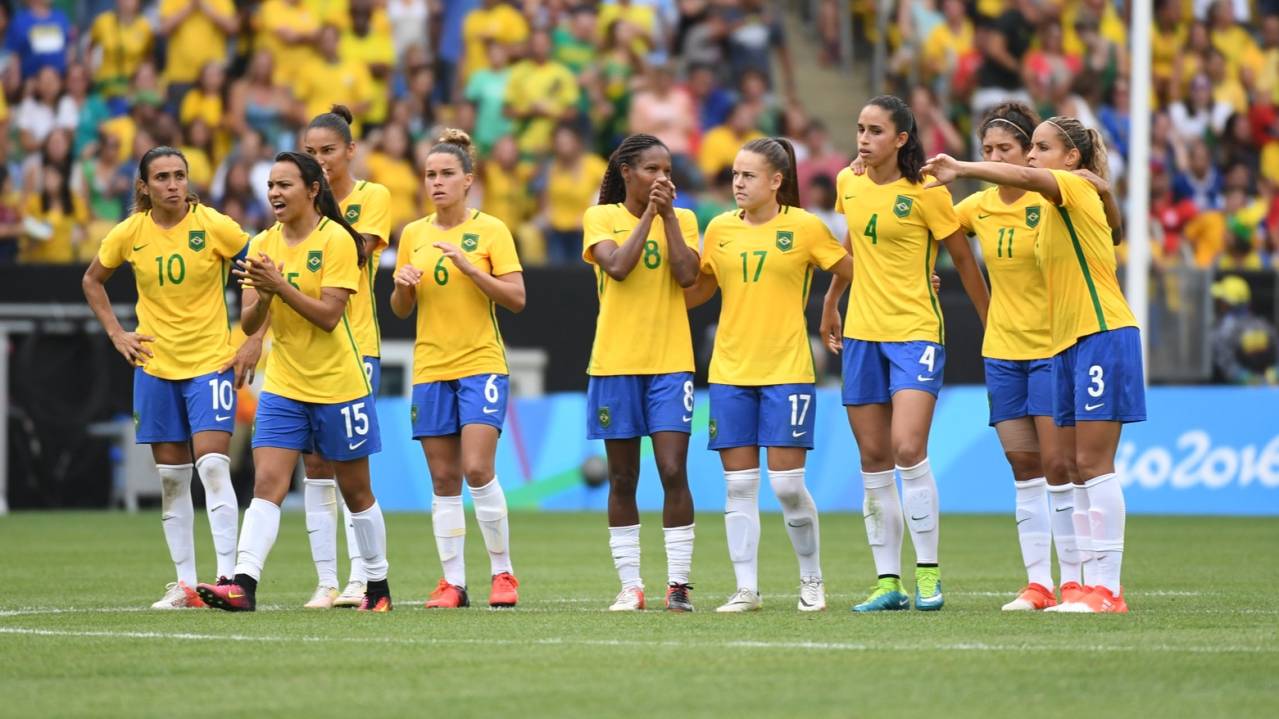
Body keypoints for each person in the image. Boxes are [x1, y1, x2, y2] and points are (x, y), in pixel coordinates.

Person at [924, 113, 1144, 614]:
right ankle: (1081, 587)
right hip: (1065, 342)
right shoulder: (1052, 209)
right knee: (1066, 466)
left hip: (1100, 332)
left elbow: (1027, 180)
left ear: (1070, 157)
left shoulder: (1066, 186)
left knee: (1088, 465)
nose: (1028, 157)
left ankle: (1104, 588)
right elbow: (1106, 232)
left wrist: (961, 166)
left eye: (1039, 147)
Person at [198, 151, 392, 612]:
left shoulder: (337, 241)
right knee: (268, 481)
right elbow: (248, 324)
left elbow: (328, 317)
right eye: (270, 185)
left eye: (284, 185)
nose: (274, 194)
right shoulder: (262, 243)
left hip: (339, 384)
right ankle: (243, 584)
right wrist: (264, 294)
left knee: (356, 491)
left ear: (312, 190)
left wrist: (280, 286)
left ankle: (378, 587)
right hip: (285, 384)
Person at [820, 95, 990, 613]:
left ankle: (930, 572)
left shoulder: (926, 192)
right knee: (872, 460)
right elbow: (851, 248)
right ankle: (887, 581)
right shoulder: (847, 183)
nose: (863, 139)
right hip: (863, 337)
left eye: (875, 131)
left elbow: (961, 257)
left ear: (900, 140)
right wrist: (831, 302)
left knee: (907, 447)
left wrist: (992, 324)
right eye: (859, 129)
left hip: (916, 331)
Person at [82, 146, 258, 608]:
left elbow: (261, 267)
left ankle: (227, 579)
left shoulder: (214, 225)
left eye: (180, 175)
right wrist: (118, 333)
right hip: (156, 367)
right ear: (144, 186)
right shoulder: (131, 232)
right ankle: (185, 585)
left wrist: (252, 337)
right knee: (173, 479)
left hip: (210, 364)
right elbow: (92, 280)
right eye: (162, 177)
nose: (173, 184)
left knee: (215, 466)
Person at [685, 137, 852, 613]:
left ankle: (812, 579)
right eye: (735, 175)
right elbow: (700, 290)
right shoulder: (717, 228)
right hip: (731, 371)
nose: (738, 183)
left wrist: (914, 275)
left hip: (787, 370)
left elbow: (851, 268)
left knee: (786, 486)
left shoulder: (804, 227)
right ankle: (746, 589)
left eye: (749, 175)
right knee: (738, 486)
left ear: (776, 181)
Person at [952, 103, 1081, 611]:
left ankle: (1073, 580)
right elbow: (927, 224)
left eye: (1004, 149)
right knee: (1022, 465)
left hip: (1052, 345)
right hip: (1002, 351)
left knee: (1058, 464)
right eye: (986, 150)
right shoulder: (978, 206)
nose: (993, 157)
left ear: (1028, 152)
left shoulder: (1050, 198)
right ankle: (1038, 584)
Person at [390, 130, 525, 609]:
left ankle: (503, 574)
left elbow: (516, 298)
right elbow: (402, 309)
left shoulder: (491, 230)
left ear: (469, 180)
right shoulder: (413, 234)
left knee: (476, 468)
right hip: (430, 367)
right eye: (430, 175)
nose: (437, 182)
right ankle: (452, 583)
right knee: (443, 480)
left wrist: (470, 269)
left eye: (447, 174)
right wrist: (403, 285)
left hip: (480, 363)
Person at [582, 134, 701, 612]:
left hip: (671, 362)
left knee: (673, 469)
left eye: (668, 170)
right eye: (653, 169)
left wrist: (668, 216)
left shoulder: (685, 219)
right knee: (623, 478)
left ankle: (678, 584)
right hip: (615, 363)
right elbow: (618, 267)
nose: (663, 179)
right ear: (627, 172)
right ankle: (630, 585)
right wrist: (650, 215)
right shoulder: (601, 217)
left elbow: (688, 274)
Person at [299, 105, 393, 609]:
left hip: (356, 348)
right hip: (305, 352)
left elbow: (357, 251)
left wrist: (313, 201)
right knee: (314, 465)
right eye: (310, 154)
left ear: (350, 151)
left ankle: (363, 576)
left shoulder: (372, 196)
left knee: (351, 467)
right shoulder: (295, 207)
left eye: (328, 152)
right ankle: (326, 579)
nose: (319, 162)